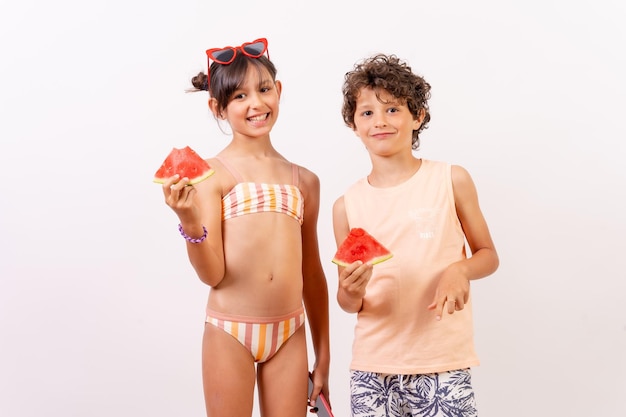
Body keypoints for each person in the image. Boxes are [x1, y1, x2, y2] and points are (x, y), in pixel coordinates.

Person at [160, 37, 330, 417]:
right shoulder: (211, 174)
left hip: (290, 332)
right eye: (239, 97)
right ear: (218, 108)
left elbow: (312, 274)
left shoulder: (305, 181)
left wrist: (324, 354)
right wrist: (189, 220)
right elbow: (213, 274)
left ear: (279, 91)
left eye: (264, 89)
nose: (256, 103)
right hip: (229, 331)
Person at [332, 53, 499, 417]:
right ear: (353, 124)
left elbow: (487, 254)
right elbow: (348, 303)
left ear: (417, 116)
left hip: (443, 364)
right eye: (367, 113)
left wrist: (459, 270)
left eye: (393, 110)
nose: (380, 121)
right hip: (372, 368)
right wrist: (350, 290)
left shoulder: (450, 179)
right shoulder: (346, 206)